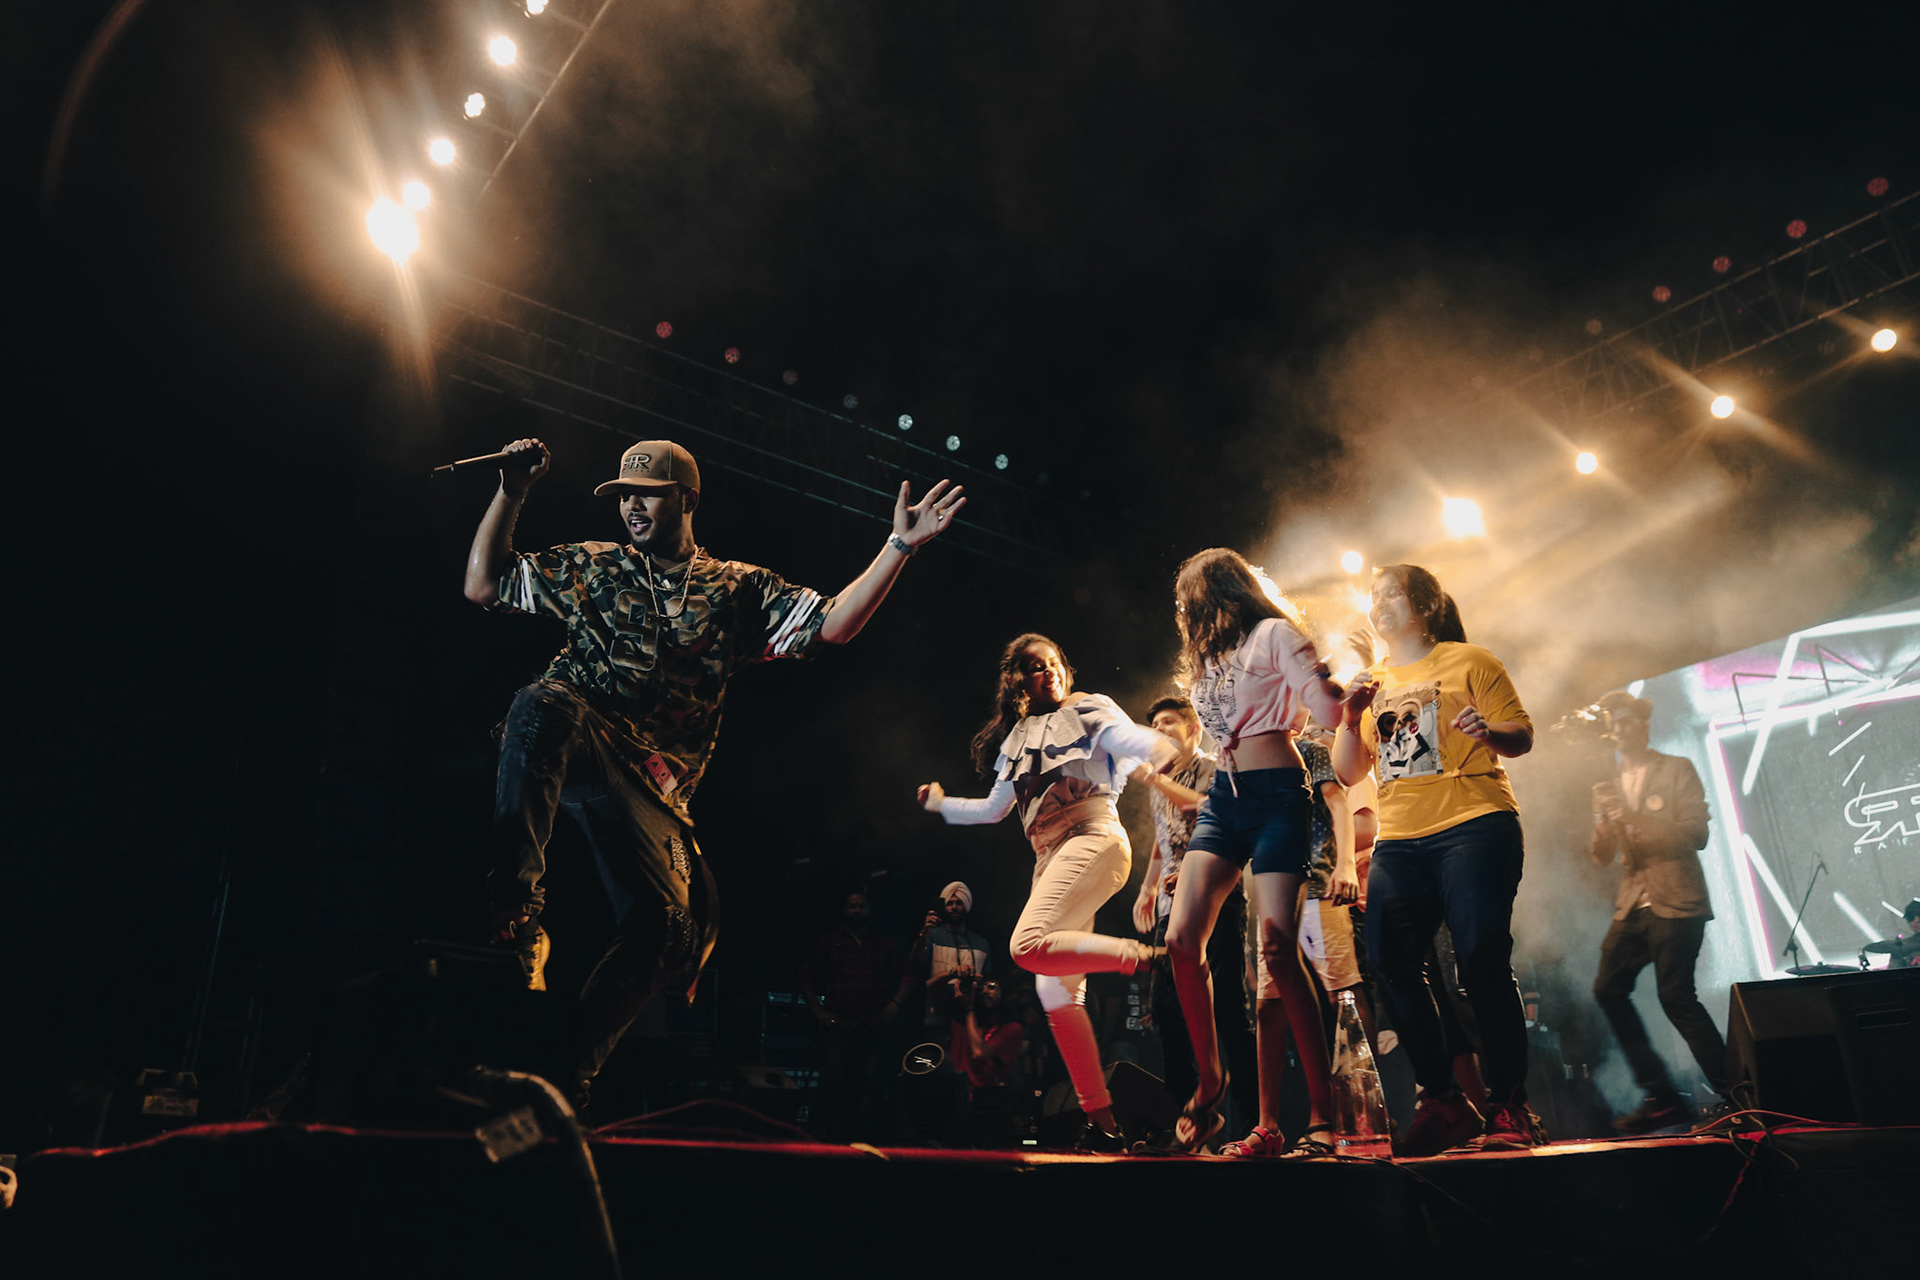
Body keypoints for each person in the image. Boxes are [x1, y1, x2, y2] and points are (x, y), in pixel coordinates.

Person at [464, 436, 964, 1104]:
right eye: (624, 496)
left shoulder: (736, 587)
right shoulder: (597, 563)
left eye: (648, 495)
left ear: (687, 499)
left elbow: (834, 624)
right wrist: (512, 491)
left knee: (674, 933)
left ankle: (562, 1074)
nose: (633, 507)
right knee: (540, 705)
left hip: (655, 787)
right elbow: (484, 584)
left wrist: (898, 546)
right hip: (584, 735)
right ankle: (517, 918)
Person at [917, 633, 1177, 1150]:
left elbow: (1130, 739)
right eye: (1036, 667)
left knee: (1026, 944)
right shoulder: (1019, 739)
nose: (1049, 671)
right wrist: (941, 804)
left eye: (1054, 663)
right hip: (1050, 858)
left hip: (1093, 837)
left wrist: (1160, 746)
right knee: (1054, 994)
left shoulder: (1087, 709)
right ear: (1017, 680)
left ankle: (1151, 959)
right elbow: (993, 809)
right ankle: (1103, 1122)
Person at [1333, 564, 1537, 1154]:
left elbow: (1521, 736)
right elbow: (1348, 771)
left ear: (1425, 605)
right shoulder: (1372, 682)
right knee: (1389, 961)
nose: (1379, 603)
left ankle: (1508, 1105)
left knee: (1479, 957)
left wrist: (1487, 731)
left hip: (1475, 823)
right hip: (1401, 839)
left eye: (1392, 593)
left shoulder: (1470, 661)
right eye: (1373, 596)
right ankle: (1445, 1100)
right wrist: (1350, 718)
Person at [1164, 549, 1353, 1157]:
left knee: (1276, 949)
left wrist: (1335, 691)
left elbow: (1325, 711)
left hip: (1278, 796)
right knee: (1180, 940)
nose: (1186, 610)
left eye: (1190, 596)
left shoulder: (1274, 634)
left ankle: (1321, 1119)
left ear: (1221, 590)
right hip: (1225, 799)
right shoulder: (1207, 660)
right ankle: (1211, 1080)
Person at [1588, 689, 1729, 1131]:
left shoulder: (1676, 769)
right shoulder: (1608, 784)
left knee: (1676, 996)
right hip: (1634, 902)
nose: (1618, 730)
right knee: (1607, 989)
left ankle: (1740, 1095)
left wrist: (1631, 817)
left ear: (1644, 724)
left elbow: (1696, 834)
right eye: (1612, 724)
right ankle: (1662, 1097)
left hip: (1678, 899)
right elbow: (1600, 856)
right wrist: (1605, 823)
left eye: (1625, 721)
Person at [1128, 696, 1257, 1144]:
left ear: (1193, 729)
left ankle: (1252, 1121)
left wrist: (1156, 779)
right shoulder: (1159, 779)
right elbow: (1162, 839)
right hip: (1172, 907)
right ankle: (1189, 1112)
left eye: (1169, 722)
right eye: (1155, 725)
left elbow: (1209, 809)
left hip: (1216, 895)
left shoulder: (1211, 767)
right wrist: (1147, 887)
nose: (1161, 731)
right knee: (1166, 1008)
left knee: (1228, 1008)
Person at [796, 890, 915, 1141]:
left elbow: (908, 975)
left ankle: (862, 1142)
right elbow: (805, 975)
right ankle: (828, 1141)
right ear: (844, 909)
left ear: (869, 909)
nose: (857, 910)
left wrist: (894, 1005)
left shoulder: (882, 942)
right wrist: (818, 1010)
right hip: (839, 1026)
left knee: (869, 1087)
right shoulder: (830, 941)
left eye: (861, 906)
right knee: (833, 1085)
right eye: (852, 906)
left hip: (872, 1026)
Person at [947, 977, 1028, 1147]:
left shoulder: (1013, 1029)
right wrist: (953, 975)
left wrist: (970, 1010)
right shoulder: (964, 1021)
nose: (985, 991)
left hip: (988, 1105)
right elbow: (930, 988)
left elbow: (979, 1053)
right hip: (957, 1099)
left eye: (991, 987)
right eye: (981, 988)